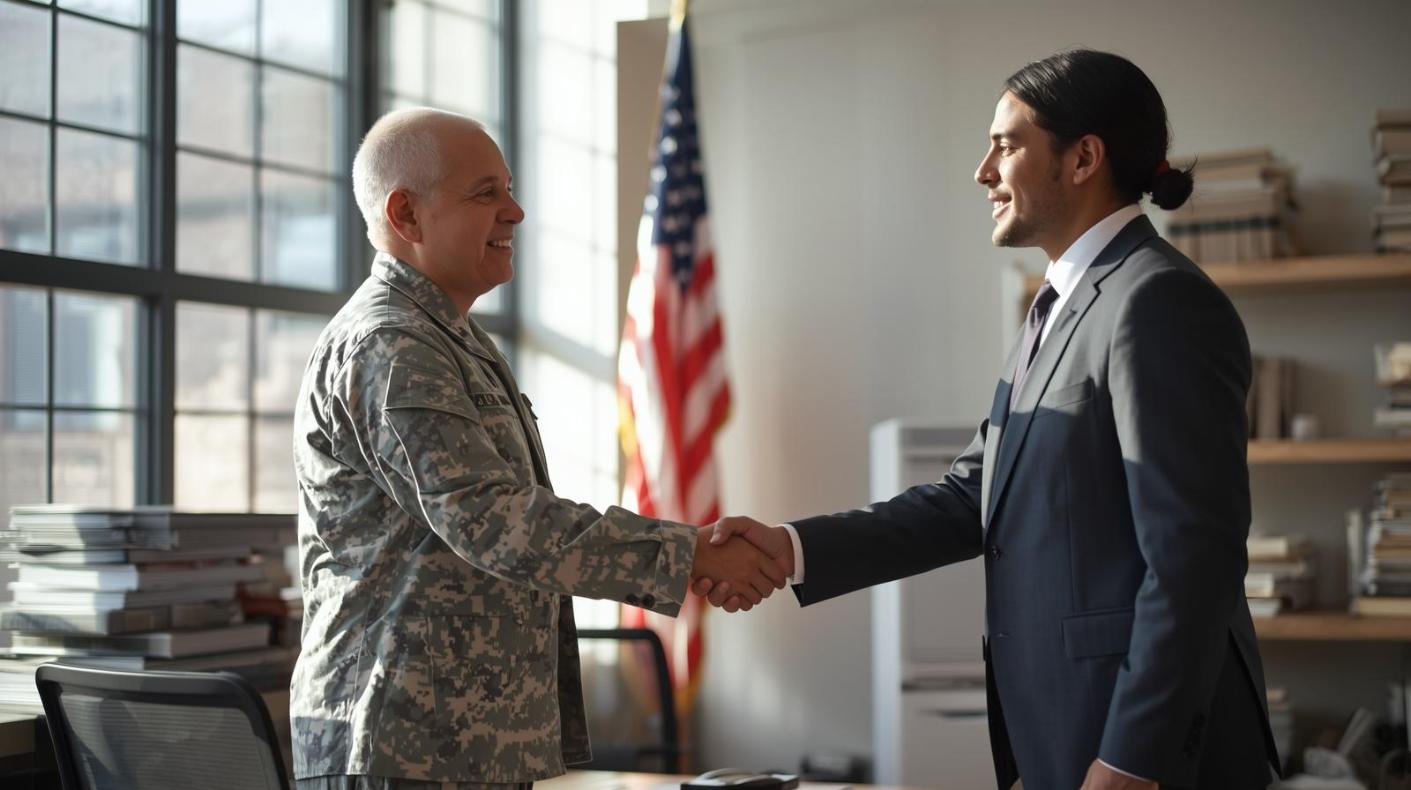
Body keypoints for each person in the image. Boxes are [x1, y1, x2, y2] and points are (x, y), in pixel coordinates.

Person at [699, 50, 1281, 789]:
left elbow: (1192, 560)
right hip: (1061, 730)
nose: (982, 171)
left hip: (1140, 752)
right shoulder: (1058, 307)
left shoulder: (1155, 301)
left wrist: (1133, 757)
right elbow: (969, 497)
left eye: (1005, 145)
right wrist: (788, 549)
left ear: (1082, 158)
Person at [290, 107, 786, 790]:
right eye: (485, 193)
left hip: (460, 743)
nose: (515, 212)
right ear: (406, 214)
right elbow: (494, 521)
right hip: (400, 745)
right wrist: (690, 553)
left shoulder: (450, 337)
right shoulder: (392, 345)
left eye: (509, 188)